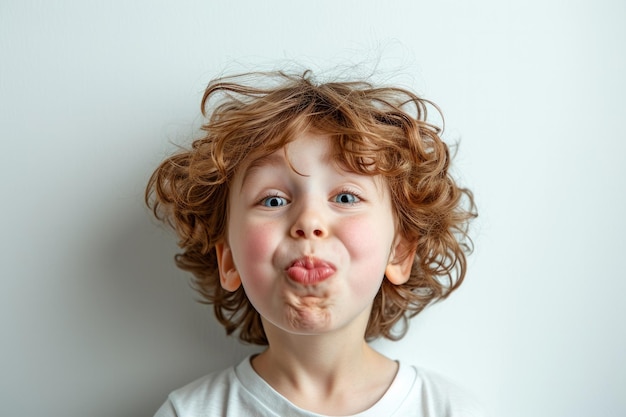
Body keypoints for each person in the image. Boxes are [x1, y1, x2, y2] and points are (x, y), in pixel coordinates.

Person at [147, 69, 482, 416]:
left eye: (346, 198)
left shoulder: (449, 410)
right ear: (229, 262)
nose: (308, 222)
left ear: (399, 252)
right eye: (273, 201)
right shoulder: (188, 413)